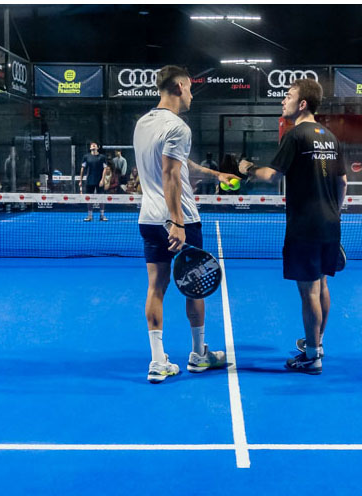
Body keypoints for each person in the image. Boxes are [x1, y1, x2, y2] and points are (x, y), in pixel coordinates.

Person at [133, 65, 240, 383]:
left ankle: (157, 361)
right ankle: (198, 354)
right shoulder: (178, 127)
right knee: (196, 287)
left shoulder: (143, 123)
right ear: (179, 86)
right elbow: (169, 174)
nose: (192, 94)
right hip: (181, 220)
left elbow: (181, 166)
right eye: (191, 88)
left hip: (148, 219)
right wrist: (177, 222)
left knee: (156, 287)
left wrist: (216, 175)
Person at [239, 78, 347, 375]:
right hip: (330, 223)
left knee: (309, 291)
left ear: (302, 104)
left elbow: (272, 176)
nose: (282, 100)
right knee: (322, 284)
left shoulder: (295, 135)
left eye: (287, 96)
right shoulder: (331, 137)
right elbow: (343, 182)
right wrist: (334, 214)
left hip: (305, 225)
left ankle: (311, 358)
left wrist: (247, 168)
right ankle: (317, 343)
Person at [79, 142, 110, 221]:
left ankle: (102, 216)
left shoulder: (102, 157)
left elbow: (105, 169)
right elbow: (82, 168)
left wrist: (102, 180)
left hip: (99, 181)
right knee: (89, 198)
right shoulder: (86, 157)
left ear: (97, 147)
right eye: (91, 145)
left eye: (95, 145)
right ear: (90, 148)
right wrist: (80, 180)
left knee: (101, 198)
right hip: (89, 181)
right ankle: (90, 216)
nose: (93, 146)